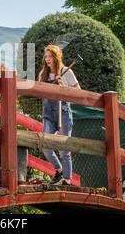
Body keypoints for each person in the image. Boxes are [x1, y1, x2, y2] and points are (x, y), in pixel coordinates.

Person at [38, 44, 80, 186]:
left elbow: (78, 91)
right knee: (45, 145)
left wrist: (64, 88)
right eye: (46, 56)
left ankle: (67, 180)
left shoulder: (66, 72)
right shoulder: (43, 74)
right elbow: (39, 93)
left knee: (64, 150)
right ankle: (59, 169)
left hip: (63, 112)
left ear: (56, 58)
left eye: (50, 56)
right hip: (49, 113)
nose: (47, 59)